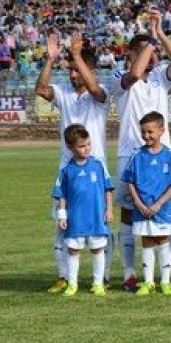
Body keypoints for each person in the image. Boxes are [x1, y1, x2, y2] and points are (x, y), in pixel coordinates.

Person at [112, 11, 171, 291]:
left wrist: (161, 34)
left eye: (153, 51)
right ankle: (130, 273)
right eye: (145, 50)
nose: (152, 55)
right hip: (130, 155)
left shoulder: (159, 78)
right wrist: (149, 41)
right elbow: (134, 73)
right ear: (131, 53)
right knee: (129, 215)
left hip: (163, 155)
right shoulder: (119, 76)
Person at [35, 31, 108, 293]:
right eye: (71, 70)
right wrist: (51, 59)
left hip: (95, 171)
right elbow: (41, 89)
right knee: (61, 224)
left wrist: (77, 55)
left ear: (89, 69)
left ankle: (102, 278)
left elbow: (95, 90)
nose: (73, 74)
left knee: (99, 226)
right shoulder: (64, 92)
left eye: (78, 70)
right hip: (67, 171)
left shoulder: (100, 93)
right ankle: (65, 277)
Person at [122, 112, 171, 296]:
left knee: (163, 240)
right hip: (142, 209)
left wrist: (159, 204)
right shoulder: (137, 156)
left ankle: (165, 281)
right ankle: (148, 282)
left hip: (162, 209)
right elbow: (130, 181)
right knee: (147, 241)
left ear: (162, 131)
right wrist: (139, 204)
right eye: (143, 132)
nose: (147, 136)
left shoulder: (169, 155)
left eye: (150, 132)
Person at [52, 124, 115, 297]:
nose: (86, 148)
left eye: (88, 144)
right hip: (76, 218)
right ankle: (72, 284)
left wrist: (109, 210)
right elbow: (61, 195)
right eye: (81, 146)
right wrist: (62, 215)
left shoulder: (98, 165)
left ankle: (98, 283)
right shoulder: (66, 170)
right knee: (73, 250)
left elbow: (108, 189)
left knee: (98, 249)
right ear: (70, 147)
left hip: (96, 216)